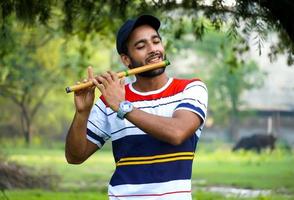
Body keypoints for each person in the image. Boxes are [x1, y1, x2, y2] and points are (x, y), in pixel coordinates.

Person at [65, 14, 208, 200]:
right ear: (126, 60)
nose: (153, 49)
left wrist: (123, 107)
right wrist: (82, 113)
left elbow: (177, 133)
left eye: (156, 41)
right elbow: (75, 157)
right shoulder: (111, 99)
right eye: (141, 46)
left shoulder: (190, 89)